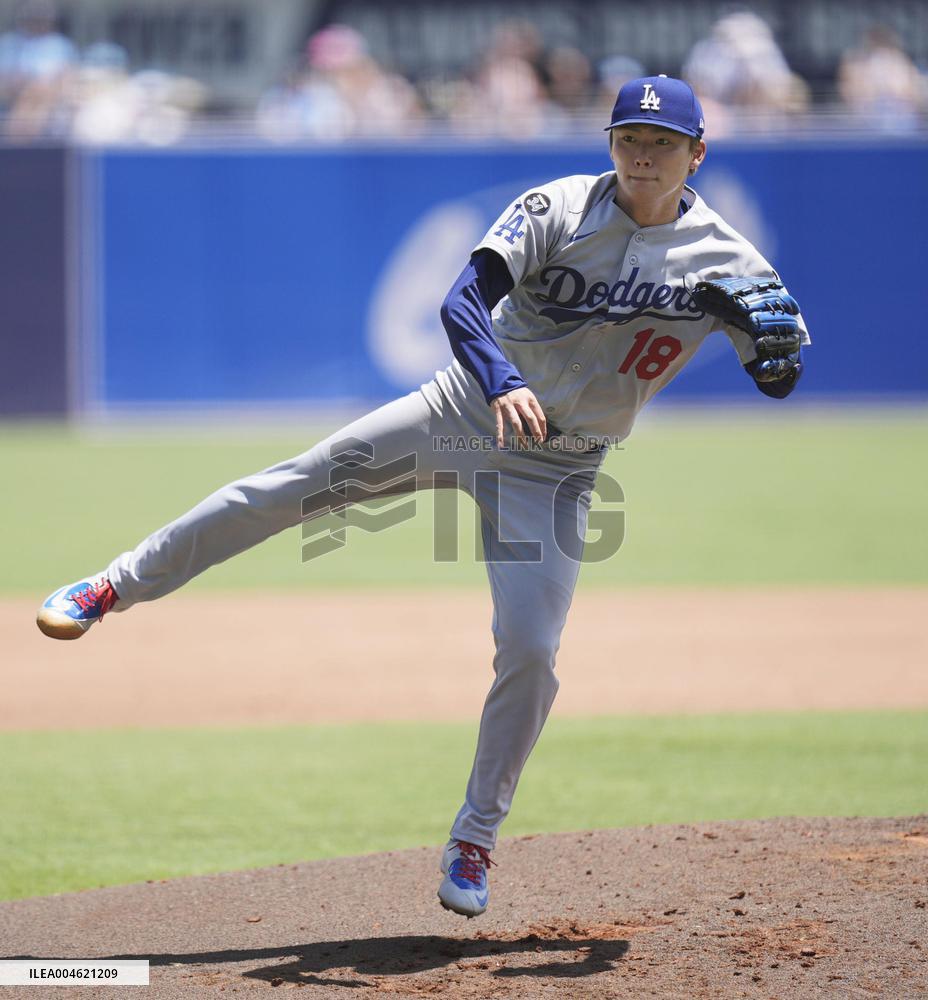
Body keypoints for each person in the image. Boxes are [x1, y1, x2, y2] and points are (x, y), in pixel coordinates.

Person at [36, 75, 809, 918]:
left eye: (663, 142)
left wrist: (777, 358)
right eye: (630, 137)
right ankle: (110, 586)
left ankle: (475, 837)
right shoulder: (557, 207)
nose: (643, 154)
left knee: (532, 649)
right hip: (457, 411)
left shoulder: (731, 261)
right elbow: (462, 299)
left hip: (558, 469)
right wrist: (501, 377)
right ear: (610, 142)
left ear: (698, 153)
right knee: (288, 488)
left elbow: (777, 373)